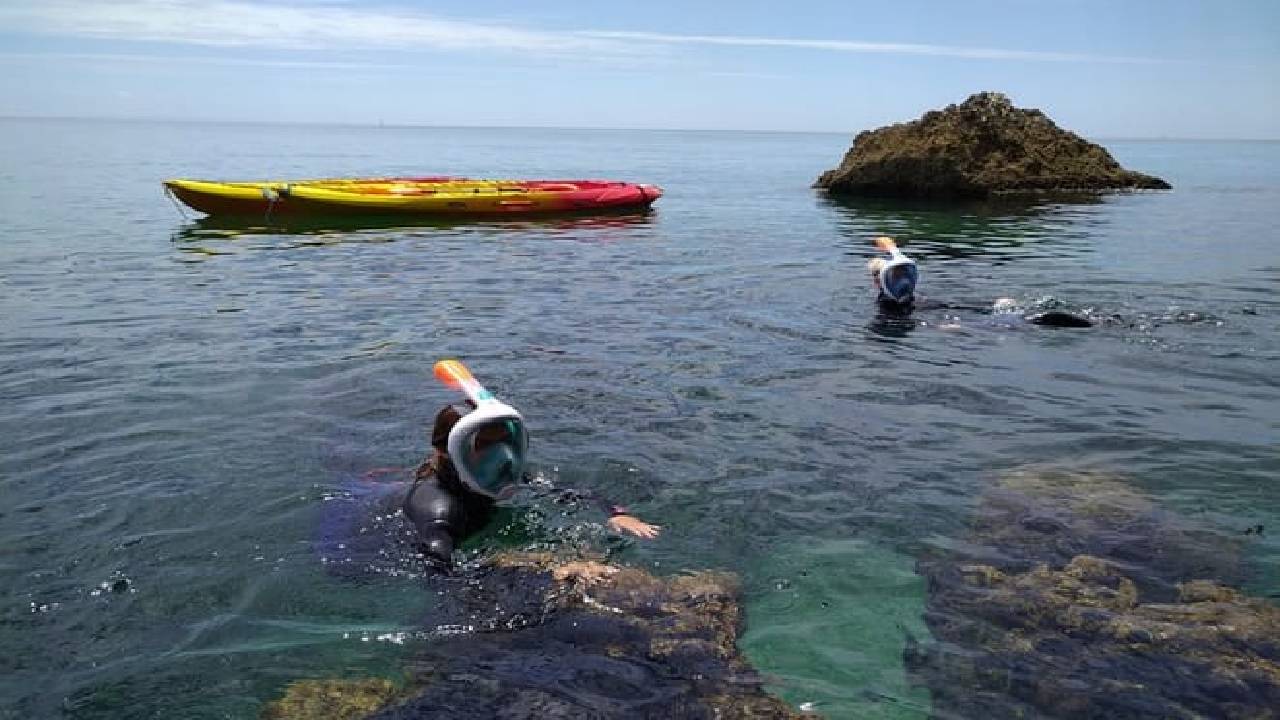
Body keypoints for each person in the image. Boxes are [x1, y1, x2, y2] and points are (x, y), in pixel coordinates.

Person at [403, 359, 660, 567]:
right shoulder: (439, 512)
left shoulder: (495, 475)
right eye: (485, 445)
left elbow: (572, 492)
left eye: (504, 442)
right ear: (449, 451)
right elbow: (442, 571)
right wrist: (532, 562)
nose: (501, 455)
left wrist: (617, 514)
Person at [866, 236, 1093, 328]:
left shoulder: (895, 298)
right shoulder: (887, 307)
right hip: (953, 316)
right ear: (880, 282)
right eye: (896, 277)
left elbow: (895, 253)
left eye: (904, 275)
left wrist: (887, 245)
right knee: (1035, 319)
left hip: (954, 310)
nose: (904, 281)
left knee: (1018, 315)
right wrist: (940, 328)